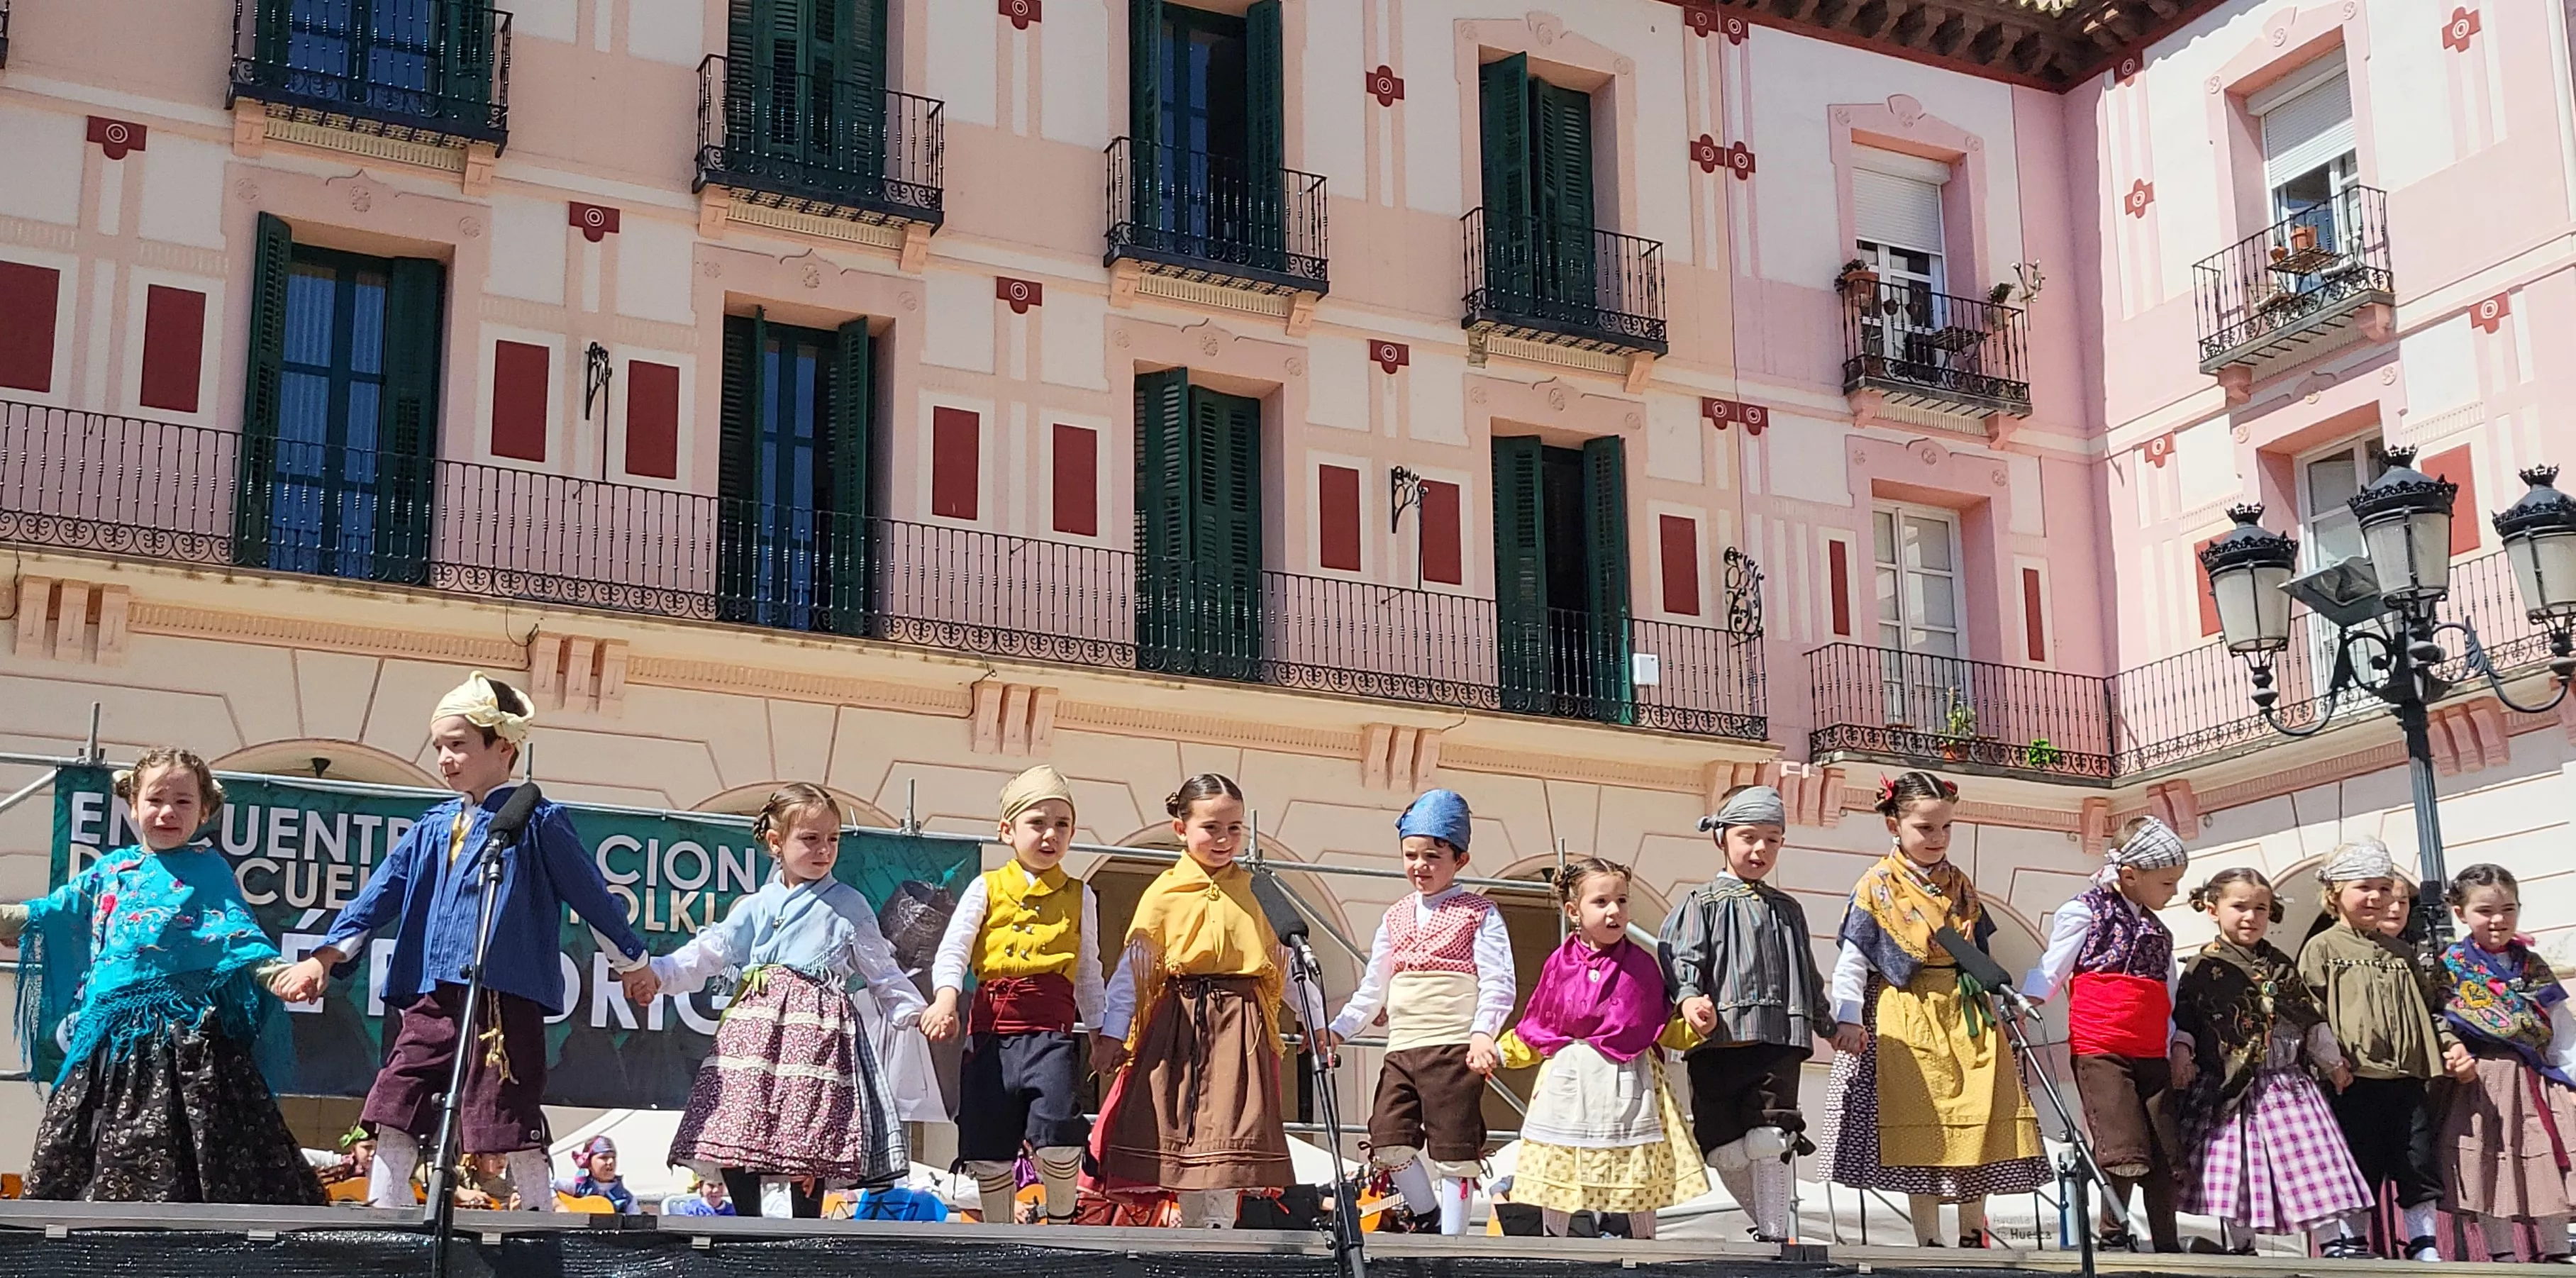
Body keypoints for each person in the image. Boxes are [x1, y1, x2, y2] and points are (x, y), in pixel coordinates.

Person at [279, 673, 655, 1209]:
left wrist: (632, 962)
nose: (445, 759)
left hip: (504, 992)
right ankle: (387, 1205)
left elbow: (590, 894)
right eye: (439, 747)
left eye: (457, 745)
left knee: (507, 1101)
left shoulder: (537, 822)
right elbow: (379, 894)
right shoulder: (434, 826)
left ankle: (537, 1210)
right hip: (432, 991)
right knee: (400, 1090)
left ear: (503, 748)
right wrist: (325, 956)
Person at [5, 748, 323, 1204]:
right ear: (133, 806)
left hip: (186, 1041)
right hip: (107, 1044)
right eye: (155, 800)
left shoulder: (209, 871)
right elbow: (51, 912)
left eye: (183, 801)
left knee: (199, 1151)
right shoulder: (111, 871)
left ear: (205, 811)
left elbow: (240, 939)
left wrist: (279, 976)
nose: (167, 812)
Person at [648, 783, 924, 1218]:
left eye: (832, 839)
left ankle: (806, 1225)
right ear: (776, 842)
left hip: (815, 1034)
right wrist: (658, 974)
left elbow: (882, 970)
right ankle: (746, 1219)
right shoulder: (756, 905)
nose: (824, 850)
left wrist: (914, 1012)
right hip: (754, 1030)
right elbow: (710, 952)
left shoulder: (848, 905)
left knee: (808, 1118)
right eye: (810, 838)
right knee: (739, 1111)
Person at [1820, 770, 2047, 1247]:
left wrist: (2003, 1004)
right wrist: (1848, 1017)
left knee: (1984, 1115)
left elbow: (1980, 953)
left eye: (1945, 827)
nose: (1937, 838)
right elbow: (1853, 961)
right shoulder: (1876, 886)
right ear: (1894, 825)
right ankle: (1928, 1242)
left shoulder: (1960, 883)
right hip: (1907, 1009)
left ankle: (1973, 1236)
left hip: (1968, 1011)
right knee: (1919, 1120)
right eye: (1925, 828)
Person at [1092, 774, 1327, 1229]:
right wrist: (1113, 1034)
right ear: (1181, 829)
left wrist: (1317, 1022)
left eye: (1234, 829)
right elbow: (1134, 969)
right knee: (1183, 1133)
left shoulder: (1257, 890)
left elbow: (1285, 962)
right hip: (1178, 1025)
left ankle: (1218, 1230)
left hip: (1241, 1026)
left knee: (1231, 1133)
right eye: (1211, 828)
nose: (1224, 839)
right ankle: (1194, 1230)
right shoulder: (1163, 893)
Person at [1319, 789, 1514, 1235]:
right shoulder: (1395, 916)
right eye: (1411, 856)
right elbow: (1374, 987)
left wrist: (1483, 1033)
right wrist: (1339, 1030)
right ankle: (1428, 1215)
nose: (1420, 866)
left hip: (1452, 1048)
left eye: (1432, 856)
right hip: (1402, 1048)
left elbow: (1499, 980)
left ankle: (1453, 1242)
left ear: (1460, 860)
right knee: (1388, 1137)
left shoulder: (1479, 912)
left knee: (1455, 1149)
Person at [923, 765, 1106, 1226]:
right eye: (1037, 823)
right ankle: (1001, 1236)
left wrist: (1101, 1032)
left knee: (1059, 1132)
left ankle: (1062, 1225)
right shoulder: (986, 887)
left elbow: (1089, 970)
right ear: (1007, 830)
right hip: (992, 1036)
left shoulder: (1079, 894)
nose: (1050, 835)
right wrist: (945, 999)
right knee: (988, 1145)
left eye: (1061, 824)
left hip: (1050, 1035)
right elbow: (954, 949)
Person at [1495, 856, 1706, 1237]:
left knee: (1635, 1167)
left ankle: (1645, 1244)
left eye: (1622, 901)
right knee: (1561, 1164)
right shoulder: (1558, 965)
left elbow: (1661, 1028)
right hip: (1570, 1082)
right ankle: (1555, 1244)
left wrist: (1697, 1028)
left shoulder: (1642, 966)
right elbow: (1539, 1028)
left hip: (1629, 1080)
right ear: (1573, 911)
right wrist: (1497, 1054)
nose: (1614, 911)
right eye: (1601, 902)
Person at [1658, 784, 1831, 1243]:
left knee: (1771, 1138)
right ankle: (1770, 1226)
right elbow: (1682, 958)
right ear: (1721, 837)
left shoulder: (1788, 909)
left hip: (1779, 1041)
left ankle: (1776, 1236)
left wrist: (1828, 1022)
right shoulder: (1701, 903)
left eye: (1772, 839)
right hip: (1718, 1043)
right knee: (1722, 1150)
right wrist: (1689, 999)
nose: (1760, 849)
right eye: (1749, 837)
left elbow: (1808, 972)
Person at [2171, 867, 2372, 1256]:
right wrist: (2181, 1052)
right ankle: (2243, 1245)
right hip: (2231, 1086)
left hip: (2286, 1084)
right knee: (2239, 1169)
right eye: (2240, 907)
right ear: (2213, 910)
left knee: (2311, 1163)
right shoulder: (2202, 968)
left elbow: (2308, 1016)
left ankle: (2333, 1243)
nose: (2251, 917)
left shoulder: (2279, 964)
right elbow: (2187, 1018)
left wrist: (2332, 1062)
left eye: (2260, 909)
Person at [2019, 815, 2191, 1252]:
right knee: (2122, 1143)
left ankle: (2167, 1244)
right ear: (2130, 875)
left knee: (2165, 1149)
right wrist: (2026, 1002)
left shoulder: (2159, 932)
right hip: (2102, 1047)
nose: (2174, 892)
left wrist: (2175, 1042)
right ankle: (2113, 1236)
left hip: (2150, 1050)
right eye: (2167, 883)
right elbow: (2053, 966)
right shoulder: (2085, 911)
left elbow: (2167, 994)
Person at [2298, 836, 2472, 1261]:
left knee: (2417, 1161)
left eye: (2384, 888)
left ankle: (2424, 1243)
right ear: (2334, 893)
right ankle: (2352, 1243)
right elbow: (2308, 1011)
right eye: (2364, 887)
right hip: (2352, 1080)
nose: (2376, 897)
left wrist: (2449, 1045)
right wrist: (2330, 1060)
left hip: (2407, 1079)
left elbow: (2428, 1009)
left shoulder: (2400, 952)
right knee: (2358, 1163)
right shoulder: (2323, 948)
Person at [2436, 864, 2576, 1262]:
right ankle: (2501, 1253)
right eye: (2485, 911)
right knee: (2490, 1162)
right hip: (2481, 1080)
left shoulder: (2531, 965)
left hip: (2537, 1076)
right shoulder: (2450, 966)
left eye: (2508, 909)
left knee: (2548, 1157)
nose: (2498, 920)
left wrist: (2570, 1079)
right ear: (2460, 913)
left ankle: (2557, 1248)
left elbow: (2561, 1027)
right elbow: (2440, 1021)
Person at [557, 1135, 635, 1213]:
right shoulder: (578, 1186)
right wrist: (557, 1205)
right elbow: (550, 1186)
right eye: (604, 1157)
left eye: (614, 1157)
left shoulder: (628, 1200)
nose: (611, 1161)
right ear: (589, 1163)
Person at [663, 1171, 737, 1217]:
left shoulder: (734, 1210)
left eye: (720, 1185)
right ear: (701, 1187)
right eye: (711, 1185)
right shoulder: (691, 1209)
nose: (716, 1190)